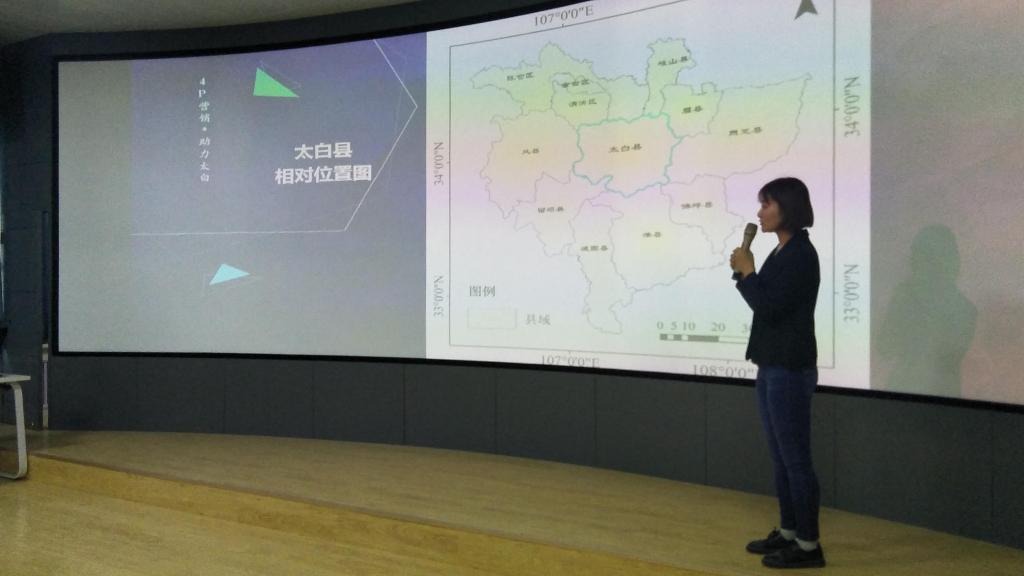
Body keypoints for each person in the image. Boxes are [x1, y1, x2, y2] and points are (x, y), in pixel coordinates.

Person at [730, 177, 824, 569]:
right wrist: (746, 273)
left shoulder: (801, 254)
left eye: (766, 204)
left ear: (787, 208)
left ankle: (808, 546)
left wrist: (748, 273)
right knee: (782, 459)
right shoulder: (782, 250)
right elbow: (764, 300)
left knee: (796, 461)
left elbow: (770, 308)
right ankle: (788, 532)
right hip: (772, 365)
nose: (759, 212)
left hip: (789, 368)